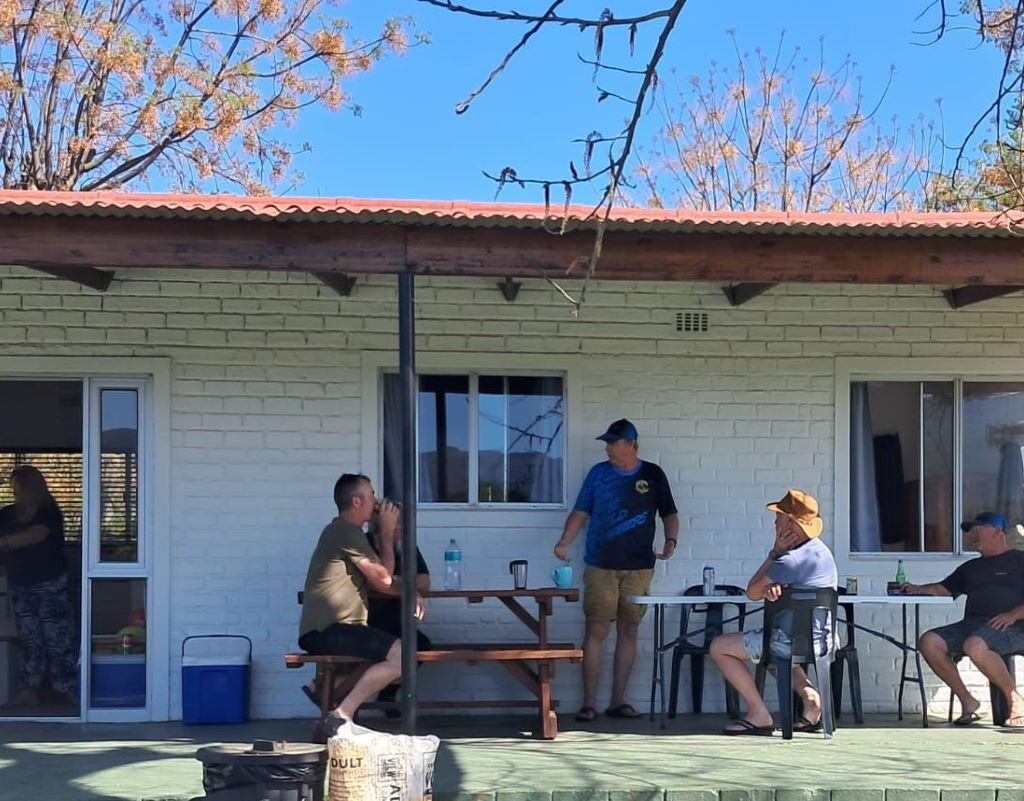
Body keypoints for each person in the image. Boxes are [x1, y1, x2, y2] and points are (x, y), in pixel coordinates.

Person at [553, 418, 679, 722]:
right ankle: (588, 703)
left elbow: (669, 513)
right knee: (597, 629)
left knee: (629, 630)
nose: (608, 448)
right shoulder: (598, 474)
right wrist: (564, 542)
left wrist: (671, 540)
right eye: (607, 443)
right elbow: (581, 511)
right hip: (601, 564)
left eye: (613, 442)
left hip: (639, 567)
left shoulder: (652, 474)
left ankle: (618, 701)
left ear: (631, 444)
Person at [298, 473, 424, 732]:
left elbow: (384, 581)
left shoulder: (346, 532)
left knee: (396, 651)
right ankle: (341, 714)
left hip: (338, 627)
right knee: (403, 655)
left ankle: (328, 695)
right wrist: (387, 535)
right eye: (372, 495)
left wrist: (410, 592)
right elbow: (384, 579)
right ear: (357, 501)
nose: (376, 501)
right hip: (327, 629)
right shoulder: (345, 532)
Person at [709, 489, 837, 736]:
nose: (774, 522)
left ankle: (758, 713)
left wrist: (774, 554)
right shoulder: (821, 552)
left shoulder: (790, 560)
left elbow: (752, 592)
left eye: (778, 517)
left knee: (720, 646)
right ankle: (811, 699)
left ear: (790, 521)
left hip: (789, 641)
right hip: (823, 640)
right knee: (775, 651)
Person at [903, 511, 1024, 728]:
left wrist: (1013, 614)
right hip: (975, 625)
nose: (972, 535)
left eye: (978, 529)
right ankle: (968, 701)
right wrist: (916, 589)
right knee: (929, 641)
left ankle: (1015, 700)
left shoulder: (1019, 560)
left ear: (997, 532)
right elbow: (942, 589)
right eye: (970, 531)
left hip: (1014, 626)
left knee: (974, 645)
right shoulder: (971, 568)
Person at [0, 465, 77, 709]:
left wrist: (5, 543)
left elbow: (36, 534)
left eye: (19, 489)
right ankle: (28, 690)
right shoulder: (7, 514)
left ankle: (67, 691)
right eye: (13, 489)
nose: (16, 494)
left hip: (50, 583)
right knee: (29, 639)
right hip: (20, 584)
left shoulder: (47, 511)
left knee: (57, 638)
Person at [365, 508, 432, 717]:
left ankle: (389, 689)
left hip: (400, 621)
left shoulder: (406, 546)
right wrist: (405, 587)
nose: (403, 527)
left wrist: (400, 585)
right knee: (400, 648)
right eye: (397, 522)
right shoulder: (363, 545)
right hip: (368, 620)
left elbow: (425, 582)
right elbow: (375, 584)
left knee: (422, 646)